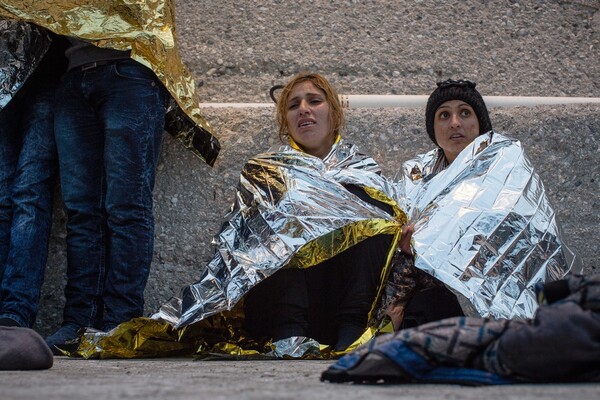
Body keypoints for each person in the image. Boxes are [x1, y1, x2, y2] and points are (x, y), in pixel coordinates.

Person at [73, 72, 406, 358]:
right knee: (286, 221)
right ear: (285, 122)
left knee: (379, 221)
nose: (303, 109)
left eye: (314, 101)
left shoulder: (364, 171)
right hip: (281, 311)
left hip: (340, 307)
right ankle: (290, 329)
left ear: (334, 113)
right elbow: (244, 251)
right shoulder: (267, 169)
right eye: (293, 105)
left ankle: (352, 327)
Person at [0, 1, 221, 353]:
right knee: (81, 210)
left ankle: (119, 321)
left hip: (129, 73)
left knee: (126, 205)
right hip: (73, 76)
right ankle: (77, 321)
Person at [379, 79, 580, 330]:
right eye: (444, 115)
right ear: (433, 129)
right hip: (432, 298)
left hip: (501, 289)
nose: (455, 123)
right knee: (426, 308)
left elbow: (529, 236)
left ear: (480, 123)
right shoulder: (415, 175)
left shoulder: (506, 162)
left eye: (465, 112)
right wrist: (408, 251)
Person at [0, 21, 67, 329]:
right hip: (5, 73)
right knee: (7, 198)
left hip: (49, 76)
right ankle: (12, 313)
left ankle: (15, 312)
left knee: (29, 195)